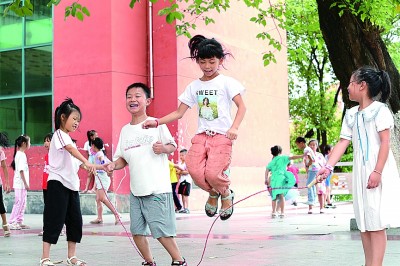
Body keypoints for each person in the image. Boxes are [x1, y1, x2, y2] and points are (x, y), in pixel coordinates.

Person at [143, 35, 246, 220]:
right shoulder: (194, 86)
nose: (207, 66)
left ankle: (226, 194)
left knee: (213, 173)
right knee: (194, 170)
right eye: (203, 62)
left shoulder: (227, 83)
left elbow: (242, 107)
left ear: (220, 60)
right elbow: (178, 112)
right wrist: (157, 121)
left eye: (212, 61)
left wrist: (235, 128)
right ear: (197, 61)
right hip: (201, 136)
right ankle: (215, 192)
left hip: (222, 137)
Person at [317, 66, 400, 266]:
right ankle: (368, 263)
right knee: (363, 219)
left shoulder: (381, 110)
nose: (347, 87)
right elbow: (343, 143)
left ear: (362, 86)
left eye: (351, 83)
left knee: (376, 220)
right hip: (360, 172)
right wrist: (327, 167)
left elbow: (385, 143)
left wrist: (377, 171)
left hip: (376, 170)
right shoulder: (351, 113)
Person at [105, 82, 187, 266]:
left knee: (161, 231)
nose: (132, 99)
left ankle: (179, 261)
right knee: (137, 231)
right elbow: (122, 158)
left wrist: (163, 148)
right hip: (137, 190)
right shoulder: (125, 130)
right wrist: (112, 165)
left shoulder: (156, 124)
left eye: (137, 96)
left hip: (157, 188)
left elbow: (172, 146)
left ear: (147, 100)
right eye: (129, 96)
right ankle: (149, 262)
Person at [40, 98, 96, 266]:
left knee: (75, 221)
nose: (76, 123)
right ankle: (45, 258)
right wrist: (87, 162)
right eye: (74, 119)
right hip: (57, 183)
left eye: (78, 120)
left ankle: (72, 257)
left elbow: (79, 163)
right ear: (63, 117)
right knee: (54, 219)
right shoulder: (59, 135)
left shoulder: (69, 139)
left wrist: (98, 166)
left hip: (72, 186)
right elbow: (71, 151)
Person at [89, 137, 120, 225]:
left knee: (102, 198)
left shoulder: (99, 154)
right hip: (99, 177)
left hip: (103, 178)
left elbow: (102, 160)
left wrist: (103, 164)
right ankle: (99, 218)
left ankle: (116, 214)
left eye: (92, 145)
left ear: (94, 146)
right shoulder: (98, 153)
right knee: (98, 199)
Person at [264, 145, 302, 218]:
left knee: (274, 197)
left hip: (274, 180)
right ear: (280, 152)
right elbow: (292, 157)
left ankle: (274, 212)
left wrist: (266, 179)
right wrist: (302, 155)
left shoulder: (272, 161)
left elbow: (267, 170)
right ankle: (282, 212)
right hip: (281, 179)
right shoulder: (283, 158)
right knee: (281, 196)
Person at [8, 135, 30, 230]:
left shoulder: (22, 154)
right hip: (19, 184)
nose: (30, 144)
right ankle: (12, 222)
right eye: (29, 142)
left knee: (23, 202)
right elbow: (21, 171)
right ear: (24, 144)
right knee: (18, 202)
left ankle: (19, 221)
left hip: (22, 185)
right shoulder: (20, 155)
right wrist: (25, 183)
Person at [295, 136, 317, 214]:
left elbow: (311, 159)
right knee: (312, 184)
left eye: (298, 145)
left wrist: (307, 165)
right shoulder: (308, 149)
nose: (298, 147)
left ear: (301, 143)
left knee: (309, 184)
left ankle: (311, 200)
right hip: (315, 168)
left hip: (313, 168)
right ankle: (314, 199)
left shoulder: (306, 149)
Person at [307, 139, 326, 214]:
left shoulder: (320, 155)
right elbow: (306, 165)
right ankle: (310, 208)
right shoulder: (307, 155)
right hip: (311, 173)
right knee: (310, 189)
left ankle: (322, 207)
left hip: (319, 174)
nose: (312, 146)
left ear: (316, 146)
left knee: (320, 190)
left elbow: (324, 165)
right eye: (310, 145)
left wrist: (323, 174)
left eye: (314, 145)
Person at [175, 149, 192, 214]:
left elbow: (188, 172)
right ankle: (184, 208)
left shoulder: (187, 163)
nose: (181, 157)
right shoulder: (180, 164)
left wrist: (180, 172)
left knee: (185, 195)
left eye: (182, 155)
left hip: (186, 181)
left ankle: (186, 208)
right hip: (181, 181)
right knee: (182, 195)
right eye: (180, 155)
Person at [0, 132, 11, 237]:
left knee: (0, 204)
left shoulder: (0, 151)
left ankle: (5, 223)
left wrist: (7, 182)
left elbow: (4, 167)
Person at [82, 130, 98, 194]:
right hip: (90, 158)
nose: (97, 136)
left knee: (96, 174)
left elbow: (100, 151)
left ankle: (94, 189)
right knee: (89, 174)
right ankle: (86, 188)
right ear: (91, 137)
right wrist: (88, 161)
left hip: (96, 158)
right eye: (96, 135)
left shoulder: (97, 142)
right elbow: (87, 153)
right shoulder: (87, 143)